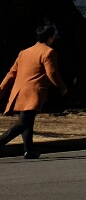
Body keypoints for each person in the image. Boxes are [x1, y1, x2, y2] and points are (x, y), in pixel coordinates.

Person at [0, 24, 68, 160]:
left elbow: (11, 73)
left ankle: (29, 150)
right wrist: (62, 87)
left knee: (27, 121)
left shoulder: (24, 52)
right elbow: (52, 73)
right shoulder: (49, 52)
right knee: (24, 123)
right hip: (33, 93)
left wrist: (1, 89)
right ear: (50, 37)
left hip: (19, 92)